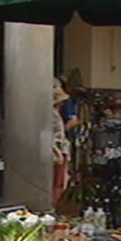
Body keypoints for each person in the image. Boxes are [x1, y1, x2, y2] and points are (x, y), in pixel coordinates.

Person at [52, 77, 71, 206]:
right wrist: (57, 152)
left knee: (61, 181)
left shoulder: (56, 114)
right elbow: (48, 135)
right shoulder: (51, 115)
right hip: (57, 149)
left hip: (61, 148)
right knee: (57, 182)